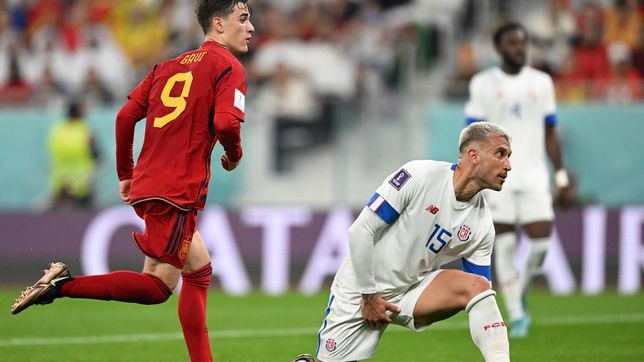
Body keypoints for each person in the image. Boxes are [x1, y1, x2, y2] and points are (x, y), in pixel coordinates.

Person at [10, 1, 254, 361]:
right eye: (244, 19)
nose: (251, 28)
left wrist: (126, 174)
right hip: (178, 191)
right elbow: (225, 124)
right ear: (218, 24)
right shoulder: (229, 67)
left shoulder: (165, 66)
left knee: (199, 269)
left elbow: (125, 117)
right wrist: (234, 156)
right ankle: (61, 286)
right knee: (157, 286)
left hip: (150, 183)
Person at [294, 122, 512, 362]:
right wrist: (369, 296)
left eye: (509, 157)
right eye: (500, 154)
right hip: (361, 289)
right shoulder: (420, 176)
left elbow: (481, 295)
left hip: (412, 289)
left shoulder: (481, 225)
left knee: (478, 287)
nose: (508, 165)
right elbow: (360, 231)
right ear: (473, 155)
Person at [463, 21, 573, 338]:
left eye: (523, 42)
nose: (520, 48)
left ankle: (518, 291)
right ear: (498, 48)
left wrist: (561, 175)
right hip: (497, 177)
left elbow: (551, 131)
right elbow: (473, 135)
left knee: (541, 244)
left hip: (535, 175)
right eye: (512, 42)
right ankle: (517, 313)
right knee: (507, 245)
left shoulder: (541, 82)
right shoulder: (483, 84)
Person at [48, 100, 100, 210]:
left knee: (59, 209)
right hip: (82, 178)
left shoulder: (58, 129)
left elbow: (52, 149)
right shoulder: (85, 129)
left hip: (60, 176)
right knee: (84, 209)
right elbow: (94, 152)